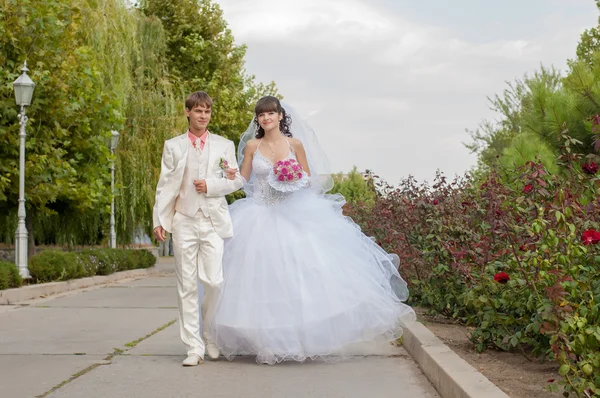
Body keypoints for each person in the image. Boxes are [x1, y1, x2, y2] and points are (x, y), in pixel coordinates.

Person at [211, 96, 416, 365]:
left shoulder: (295, 144)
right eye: (261, 115)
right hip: (258, 214)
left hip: (293, 213)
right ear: (257, 120)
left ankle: (298, 340)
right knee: (262, 280)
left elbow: (308, 179)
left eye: (271, 113)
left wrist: (292, 176)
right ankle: (266, 342)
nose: (266, 118)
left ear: (280, 116)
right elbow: (244, 179)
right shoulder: (252, 145)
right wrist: (227, 173)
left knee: (297, 279)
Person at [152, 91, 242, 366]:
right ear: (188, 112)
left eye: (207, 111)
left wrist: (212, 185)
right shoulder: (174, 146)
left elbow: (236, 180)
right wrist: (159, 218)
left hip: (213, 220)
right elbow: (165, 185)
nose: (203, 116)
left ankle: (209, 332)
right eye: (198, 111)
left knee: (215, 282)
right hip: (184, 219)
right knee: (186, 285)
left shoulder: (224, 145)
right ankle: (194, 347)